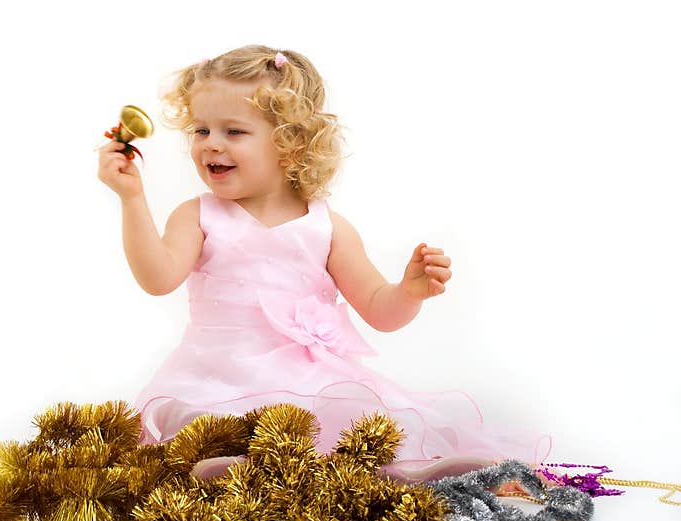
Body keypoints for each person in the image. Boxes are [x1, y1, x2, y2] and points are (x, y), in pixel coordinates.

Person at [97, 44, 551, 481]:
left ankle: (393, 473)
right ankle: (245, 469)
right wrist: (132, 199)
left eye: (233, 131)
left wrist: (409, 291)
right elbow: (158, 279)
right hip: (214, 378)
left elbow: (379, 308)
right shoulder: (198, 216)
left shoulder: (326, 227)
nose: (210, 145)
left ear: (290, 143)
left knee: (343, 426)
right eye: (201, 130)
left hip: (307, 382)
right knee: (209, 431)